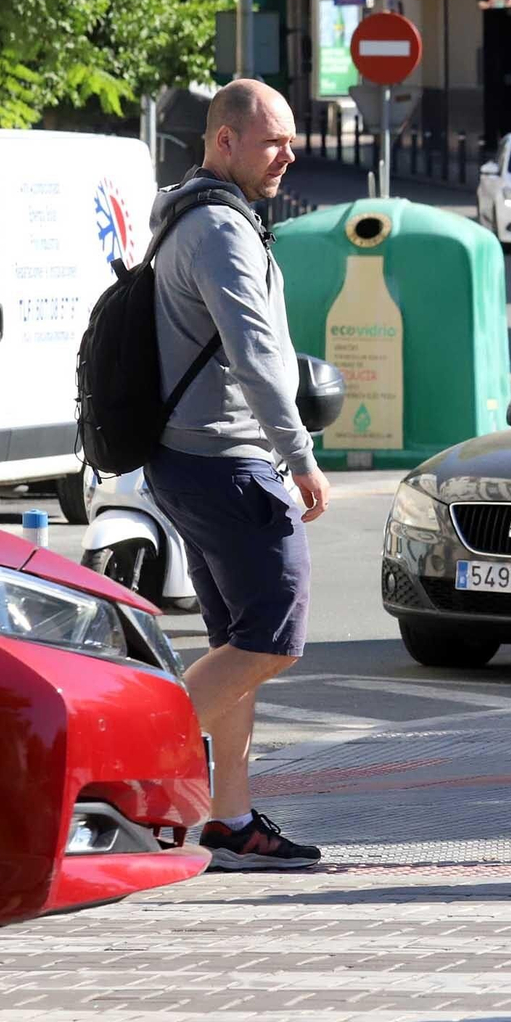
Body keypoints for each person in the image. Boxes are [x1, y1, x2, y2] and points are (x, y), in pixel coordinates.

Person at [144, 79, 330, 871]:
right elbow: (255, 355)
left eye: (291, 140)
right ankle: (126, 762)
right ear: (224, 141)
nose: (288, 154)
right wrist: (301, 455)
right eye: (272, 142)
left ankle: (230, 818)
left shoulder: (195, 213)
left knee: (235, 641)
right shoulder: (219, 228)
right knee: (272, 638)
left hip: (189, 458)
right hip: (226, 462)